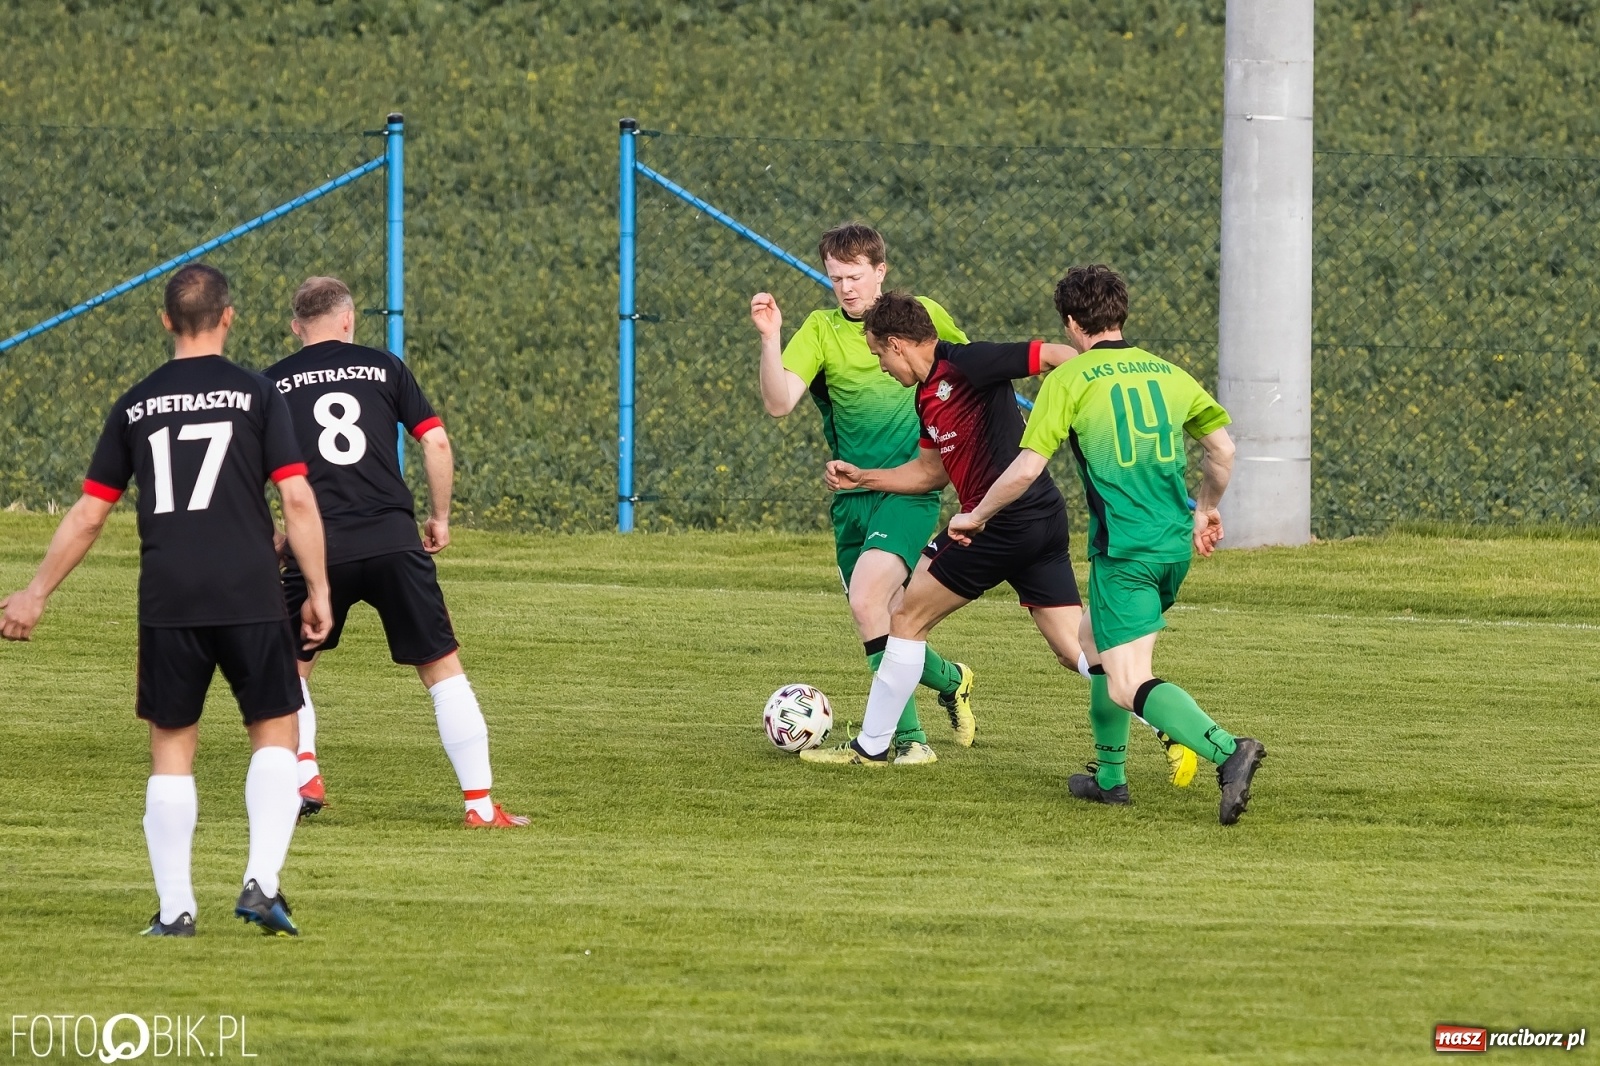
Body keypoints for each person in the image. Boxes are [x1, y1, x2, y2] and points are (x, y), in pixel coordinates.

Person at [0, 263, 332, 935]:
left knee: (172, 747)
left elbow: (90, 514)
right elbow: (296, 498)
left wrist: (34, 592)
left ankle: (177, 911)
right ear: (229, 317)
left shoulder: (136, 402)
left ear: (164, 321)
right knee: (275, 730)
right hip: (248, 589)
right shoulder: (258, 395)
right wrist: (319, 588)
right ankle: (261, 884)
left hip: (169, 595)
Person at [950, 264, 1266, 824]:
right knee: (1093, 642)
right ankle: (1109, 778)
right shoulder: (1169, 373)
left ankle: (1226, 750)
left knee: (1127, 683)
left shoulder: (1069, 380)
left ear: (1071, 323)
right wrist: (1208, 508)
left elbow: (1024, 471)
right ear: (1121, 314)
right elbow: (1224, 451)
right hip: (1171, 547)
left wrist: (977, 514)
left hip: (1126, 552)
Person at [265, 276, 527, 828]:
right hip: (392, 537)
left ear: (295, 328)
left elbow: (245, 475)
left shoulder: (272, 385)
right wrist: (441, 518)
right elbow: (434, 440)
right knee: (442, 671)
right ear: (347, 320)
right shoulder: (384, 367)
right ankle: (479, 807)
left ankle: (304, 771)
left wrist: (275, 538)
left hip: (318, 547)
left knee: (290, 668)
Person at [799, 291, 1084, 765]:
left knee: (905, 620)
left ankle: (873, 748)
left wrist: (1060, 416)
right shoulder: (927, 397)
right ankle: (1173, 724)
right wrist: (863, 477)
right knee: (1074, 651)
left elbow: (1063, 355)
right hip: (1041, 518)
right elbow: (930, 473)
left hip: (999, 522)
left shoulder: (970, 362)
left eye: (879, 356)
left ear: (897, 344)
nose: (882, 367)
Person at [749, 224, 973, 764]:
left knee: (869, 599)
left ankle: (910, 742)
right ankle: (950, 680)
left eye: (854, 276)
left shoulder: (922, 316)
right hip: (851, 499)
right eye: (835, 278)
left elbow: (970, 377)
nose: (846, 288)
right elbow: (780, 403)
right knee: (883, 615)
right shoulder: (821, 331)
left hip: (910, 489)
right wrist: (770, 338)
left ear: (880, 271)